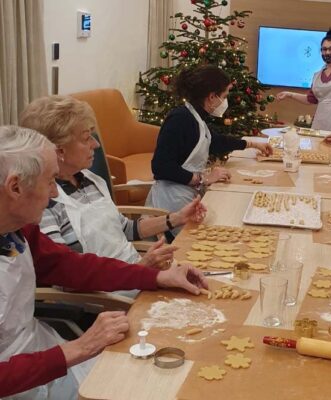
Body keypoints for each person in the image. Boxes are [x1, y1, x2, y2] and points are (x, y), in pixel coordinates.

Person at [0, 126, 209, 399]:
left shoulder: (17, 230)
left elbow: (73, 266)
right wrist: (79, 348)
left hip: (36, 348)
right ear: (15, 186)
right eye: (50, 181)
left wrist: (156, 277)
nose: (54, 194)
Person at [19, 95, 207, 269]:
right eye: (86, 138)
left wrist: (177, 217)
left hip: (132, 274)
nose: (96, 144)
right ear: (59, 151)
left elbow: (125, 229)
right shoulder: (43, 201)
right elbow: (66, 274)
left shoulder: (90, 181)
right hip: (106, 295)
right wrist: (141, 268)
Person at [147, 65, 272, 216]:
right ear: (212, 97)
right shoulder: (180, 119)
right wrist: (203, 178)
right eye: (224, 96)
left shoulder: (196, 117)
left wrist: (252, 144)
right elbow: (161, 166)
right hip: (171, 203)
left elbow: (215, 142)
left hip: (187, 195)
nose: (225, 102)